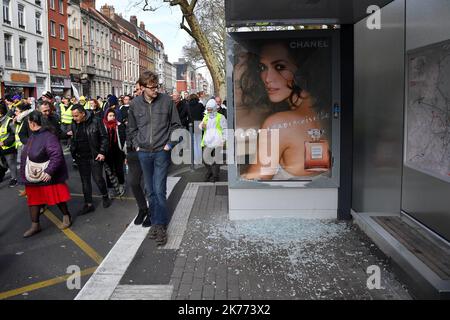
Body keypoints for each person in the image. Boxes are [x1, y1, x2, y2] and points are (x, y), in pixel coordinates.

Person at [240, 41, 331, 180]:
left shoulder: (277, 124)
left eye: (280, 67)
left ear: (303, 70)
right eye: (262, 67)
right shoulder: (326, 114)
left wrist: (239, 177)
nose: (267, 78)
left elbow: (257, 179)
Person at [128, 71, 182, 245]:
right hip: (143, 152)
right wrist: (136, 144)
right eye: (152, 87)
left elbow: (176, 126)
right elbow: (132, 129)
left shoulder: (166, 101)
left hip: (161, 151)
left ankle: (159, 226)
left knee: (159, 190)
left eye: (157, 86)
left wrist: (169, 145)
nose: (156, 90)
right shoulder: (135, 104)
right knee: (150, 190)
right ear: (142, 88)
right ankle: (155, 220)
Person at [20, 111, 72, 237]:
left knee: (57, 198)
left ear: (32, 123)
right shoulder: (34, 135)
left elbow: (56, 155)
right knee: (34, 201)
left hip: (47, 174)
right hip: (34, 175)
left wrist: (49, 171)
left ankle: (66, 217)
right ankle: (35, 225)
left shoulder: (49, 136)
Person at [69, 104, 112, 215]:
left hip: (95, 156)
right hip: (81, 157)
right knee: (85, 181)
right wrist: (73, 149)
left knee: (98, 178)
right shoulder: (74, 123)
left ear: (83, 114)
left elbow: (104, 137)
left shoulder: (96, 121)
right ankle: (88, 204)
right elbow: (73, 138)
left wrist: (102, 152)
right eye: (73, 116)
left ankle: (105, 196)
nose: (74, 118)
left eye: (76, 116)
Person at [199, 99, 227, 182]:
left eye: (210, 110)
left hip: (217, 141)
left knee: (216, 160)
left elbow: (225, 129)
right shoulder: (206, 116)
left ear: (214, 108)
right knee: (205, 159)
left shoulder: (220, 117)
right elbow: (201, 126)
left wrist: (224, 139)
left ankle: (215, 176)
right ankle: (210, 171)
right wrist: (202, 126)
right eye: (208, 109)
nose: (209, 111)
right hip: (207, 142)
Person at [103, 109, 126, 197]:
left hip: (118, 151)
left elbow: (123, 138)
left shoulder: (119, 125)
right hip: (107, 152)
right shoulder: (103, 125)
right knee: (108, 171)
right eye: (110, 116)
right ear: (106, 116)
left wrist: (124, 152)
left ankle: (121, 184)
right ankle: (110, 188)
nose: (112, 117)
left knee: (119, 169)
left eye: (113, 115)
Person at [0, 103, 18, 187]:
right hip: (0, 148)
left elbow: (14, 134)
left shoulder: (9, 121)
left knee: (11, 163)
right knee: (1, 163)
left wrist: (5, 142)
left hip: (9, 147)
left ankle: (14, 179)